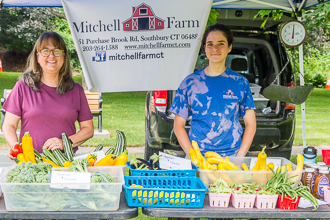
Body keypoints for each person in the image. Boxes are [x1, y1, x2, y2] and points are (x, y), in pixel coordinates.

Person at [170, 24, 256, 157]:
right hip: (199, 157)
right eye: (210, 44)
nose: (214, 48)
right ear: (204, 48)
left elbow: (251, 124)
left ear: (229, 47)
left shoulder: (240, 83)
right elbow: (178, 125)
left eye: (221, 43)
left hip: (231, 156)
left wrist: (240, 156)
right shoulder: (189, 83)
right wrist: (193, 155)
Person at [3, 32, 94, 159]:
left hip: (65, 162)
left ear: (63, 56)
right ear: (37, 56)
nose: (51, 55)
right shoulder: (22, 87)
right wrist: (15, 147)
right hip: (30, 162)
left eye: (57, 51)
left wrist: (64, 143)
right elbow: (9, 125)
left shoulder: (76, 90)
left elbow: (88, 129)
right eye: (45, 51)